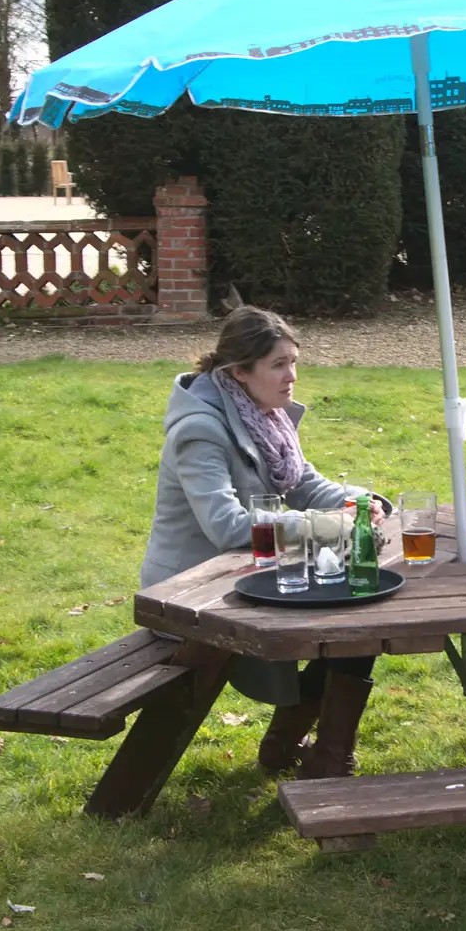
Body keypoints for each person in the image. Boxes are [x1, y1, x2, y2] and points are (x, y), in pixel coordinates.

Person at [139, 306, 385, 779]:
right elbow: (229, 527)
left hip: (246, 577)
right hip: (191, 595)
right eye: (278, 365)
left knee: (359, 607)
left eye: (294, 361)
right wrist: (328, 526)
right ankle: (309, 752)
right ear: (239, 371)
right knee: (352, 614)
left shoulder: (263, 415)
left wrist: (361, 501)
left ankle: (303, 750)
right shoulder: (200, 431)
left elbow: (305, 484)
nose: (292, 376)